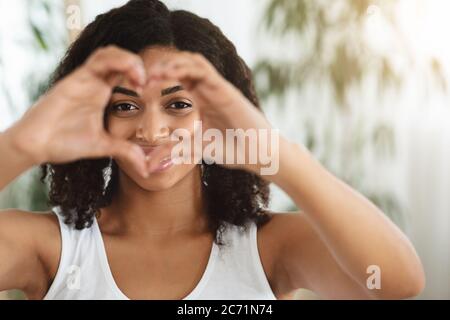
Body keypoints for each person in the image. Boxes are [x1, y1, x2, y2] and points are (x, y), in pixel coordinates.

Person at [0, 0, 425, 300]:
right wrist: (21, 145)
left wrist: (277, 155)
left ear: (217, 115)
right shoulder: (54, 247)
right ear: (98, 115)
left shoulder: (268, 247)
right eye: (125, 105)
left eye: (178, 104)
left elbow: (398, 281)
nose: (151, 130)